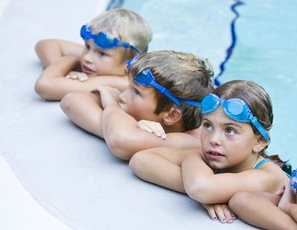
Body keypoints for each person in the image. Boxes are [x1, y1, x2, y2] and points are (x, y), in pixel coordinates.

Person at [129, 80, 290, 224]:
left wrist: (192, 161)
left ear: (259, 141)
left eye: (230, 131)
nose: (214, 139)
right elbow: (140, 160)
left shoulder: (266, 176)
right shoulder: (212, 154)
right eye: (207, 126)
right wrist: (209, 196)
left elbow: (201, 187)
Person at [60, 50, 215, 161]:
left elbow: (120, 140)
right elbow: (71, 100)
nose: (122, 96)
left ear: (171, 115)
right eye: (128, 87)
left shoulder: (196, 140)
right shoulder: (151, 100)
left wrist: (112, 106)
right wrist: (127, 126)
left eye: (136, 92)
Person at [34, 8, 152, 100]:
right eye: (87, 46)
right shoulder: (97, 54)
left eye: (101, 54)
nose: (86, 57)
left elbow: (45, 86)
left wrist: (70, 60)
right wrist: (64, 70)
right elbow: (46, 44)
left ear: (130, 63)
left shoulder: (121, 83)